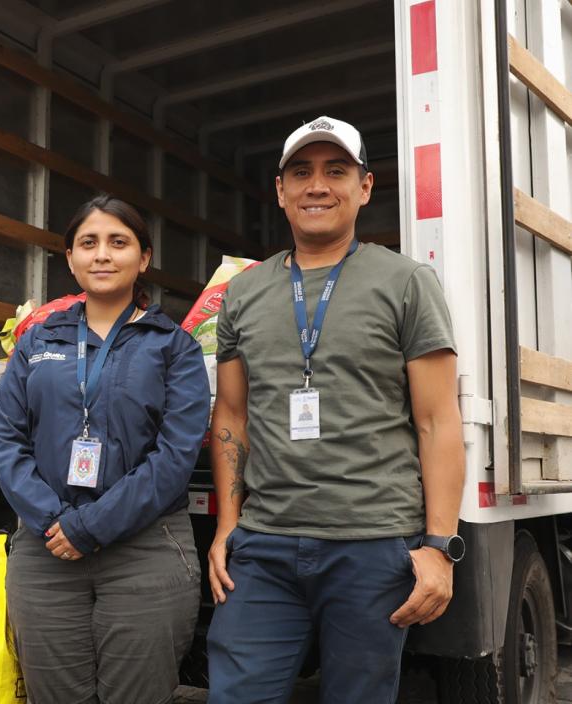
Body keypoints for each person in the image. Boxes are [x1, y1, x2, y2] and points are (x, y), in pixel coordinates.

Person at [206, 116, 465, 703]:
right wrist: (227, 526)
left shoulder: (406, 283)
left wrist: (439, 545)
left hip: (373, 545)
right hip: (264, 545)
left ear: (366, 186)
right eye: (301, 172)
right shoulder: (244, 292)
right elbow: (231, 415)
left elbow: (437, 420)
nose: (316, 186)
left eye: (335, 171)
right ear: (280, 191)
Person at [0, 194, 210, 703]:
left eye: (118, 242)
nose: (102, 255)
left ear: (144, 258)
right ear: (70, 258)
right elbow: (6, 439)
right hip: (47, 549)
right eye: (88, 243)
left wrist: (89, 526)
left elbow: (174, 457)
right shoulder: (35, 342)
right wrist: (53, 520)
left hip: (146, 548)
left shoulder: (173, 346)